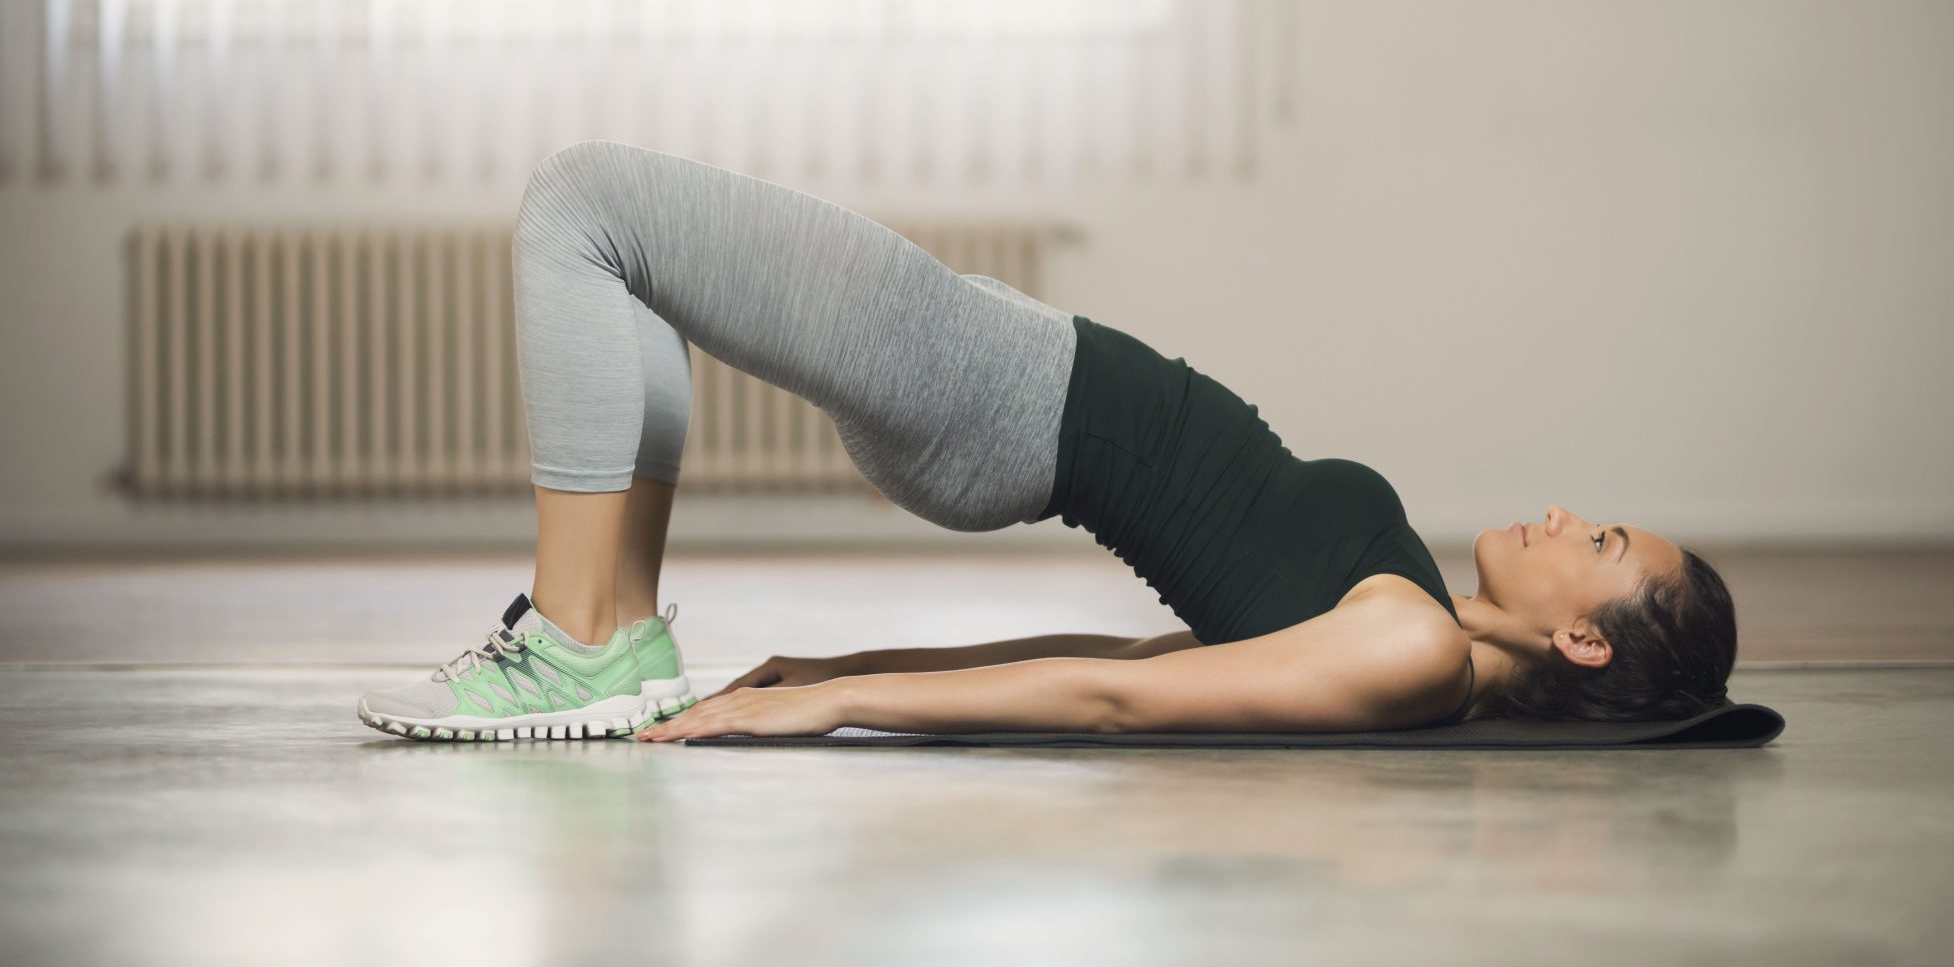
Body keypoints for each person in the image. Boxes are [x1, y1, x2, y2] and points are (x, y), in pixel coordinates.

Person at [356, 140, 1737, 744]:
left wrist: (830, 709)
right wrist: (845, 663)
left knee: (586, 204)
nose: (1568, 515)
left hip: (985, 386)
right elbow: (1146, 661)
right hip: (994, 375)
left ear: (1589, 642)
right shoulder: (1416, 634)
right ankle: (607, 637)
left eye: (1601, 543)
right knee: (622, 249)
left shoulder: (1415, 650)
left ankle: (585, 638)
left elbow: (1113, 702)